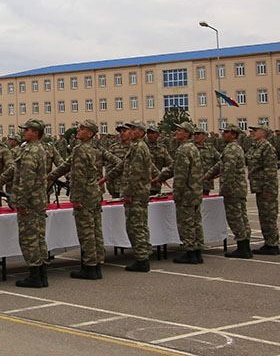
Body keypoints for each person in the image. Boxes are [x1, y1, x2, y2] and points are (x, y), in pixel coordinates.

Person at [47, 120, 120, 280]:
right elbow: (66, 165)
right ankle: (97, 264)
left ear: (90, 133)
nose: (78, 131)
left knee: (86, 232)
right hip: (94, 194)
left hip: (84, 196)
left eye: (82, 129)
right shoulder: (94, 149)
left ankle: (89, 267)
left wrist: (76, 198)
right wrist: (50, 177)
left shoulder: (80, 149)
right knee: (96, 231)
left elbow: (78, 176)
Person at [0, 120, 50, 288]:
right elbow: (16, 170)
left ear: (35, 132)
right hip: (37, 201)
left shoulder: (32, 151)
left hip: (30, 202)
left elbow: (27, 179)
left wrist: (22, 202)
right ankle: (41, 275)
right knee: (38, 239)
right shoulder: (32, 148)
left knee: (29, 239)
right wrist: (1, 179)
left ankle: (35, 276)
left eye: (27, 130)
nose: (24, 132)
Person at [102, 121, 156, 272]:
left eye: (132, 129)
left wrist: (129, 193)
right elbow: (122, 166)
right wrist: (106, 178)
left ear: (140, 132)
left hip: (136, 193)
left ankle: (142, 259)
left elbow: (135, 173)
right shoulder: (136, 146)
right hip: (139, 192)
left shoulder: (139, 148)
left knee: (135, 226)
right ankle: (143, 255)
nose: (129, 131)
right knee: (139, 225)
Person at [154, 123, 205, 264]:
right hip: (195, 191)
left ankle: (190, 252)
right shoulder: (193, 148)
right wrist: (159, 178)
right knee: (195, 222)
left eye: (179, 130)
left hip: (186, 193)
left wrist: (177, 193)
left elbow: (180, 175)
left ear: (187, 133)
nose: (176, 132)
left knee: (186, 223)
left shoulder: (183, 150)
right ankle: (197, 251)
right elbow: (173, 168)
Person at [202, 124, 253, 258]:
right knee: (242, 217)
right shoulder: (234, 148)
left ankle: (243, 248)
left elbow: (228, 171)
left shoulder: (231, 149)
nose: (223, 134)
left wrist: (225, 190)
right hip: (239, 188)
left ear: (234, 135)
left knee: (235, 218)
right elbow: (219, 165)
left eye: (226, 132)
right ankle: (245, 245)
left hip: (232, 190)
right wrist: (206, 176)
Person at [247, 124, 279, 255]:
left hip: (266, 188)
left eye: (255, 131)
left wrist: (268, 188)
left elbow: (270, 170)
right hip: (259, 187)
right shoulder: (256, 147)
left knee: (269, 216)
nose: (252, 133)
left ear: (264, 133)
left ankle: (272, 244)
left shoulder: (267, 148)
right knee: (264, 215)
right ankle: (269, 242)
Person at [193, 128, 219, 195]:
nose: (196, 136)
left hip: (206, 182)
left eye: (198, 134)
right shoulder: (191, 147)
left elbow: (220, 161)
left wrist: (215, 174)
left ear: (204, 136)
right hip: (193, 183)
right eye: (195, 134)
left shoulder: (210, 147)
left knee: (205, 202)